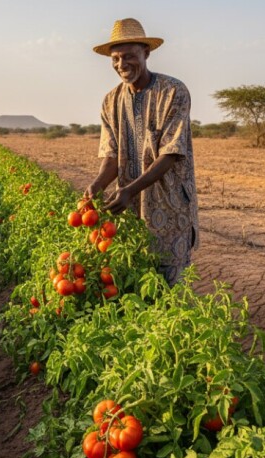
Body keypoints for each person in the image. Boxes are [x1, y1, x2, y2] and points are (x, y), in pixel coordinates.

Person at [85, 18, 198, 285]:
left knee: (171, 291)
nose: (122, 65)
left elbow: (169, 154)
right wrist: (98, 185)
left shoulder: (173, 92)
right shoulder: (110, 101)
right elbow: (111, 156)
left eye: (129, 56)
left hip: (170, 209)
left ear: (146, 53)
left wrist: (128, 190)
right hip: (130, 212)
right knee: (136, 286)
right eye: (115, 59)